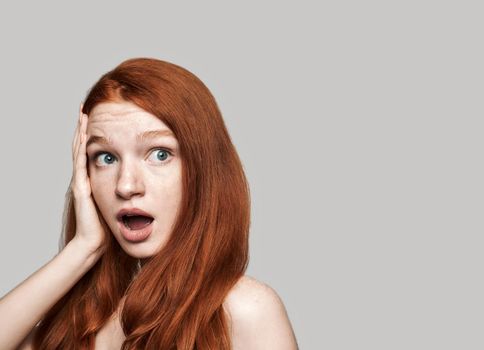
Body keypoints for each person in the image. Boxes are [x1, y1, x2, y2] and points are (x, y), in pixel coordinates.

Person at [0, 57, 298, 349]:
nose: (126, 185)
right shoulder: (80, 324)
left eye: (159, 154)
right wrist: (83, 248)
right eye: (106, 157)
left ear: (203, 169)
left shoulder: (244, 311)